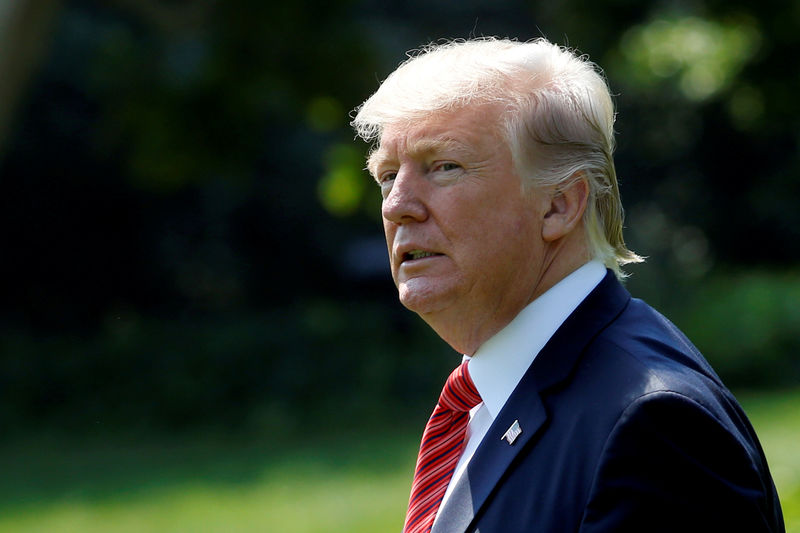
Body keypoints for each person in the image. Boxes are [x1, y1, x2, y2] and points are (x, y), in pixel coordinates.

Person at [350, 37, 784, 533]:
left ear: (560, 204)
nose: (396, 204)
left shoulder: (653, 427)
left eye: (444, 166)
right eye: (387, 175)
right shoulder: (498, 397)